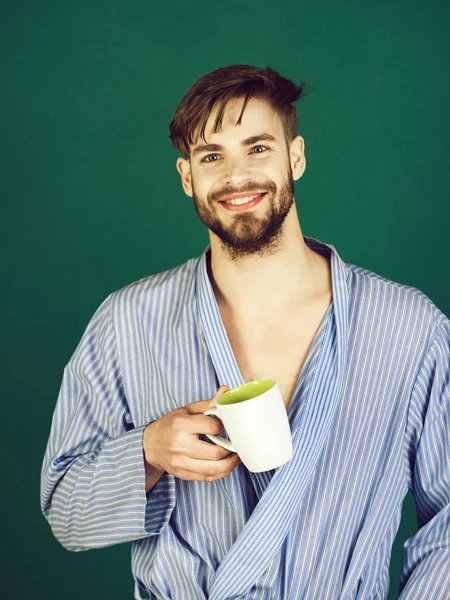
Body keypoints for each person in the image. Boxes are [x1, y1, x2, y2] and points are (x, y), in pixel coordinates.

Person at [40, 64, 449, 600]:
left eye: (258, 148)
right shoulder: (126, 323)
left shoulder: (409, 329)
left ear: (295, 157)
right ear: (187, 175)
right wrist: (149, 452)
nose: (237, 177)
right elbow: (66, 515)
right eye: (213, 156)